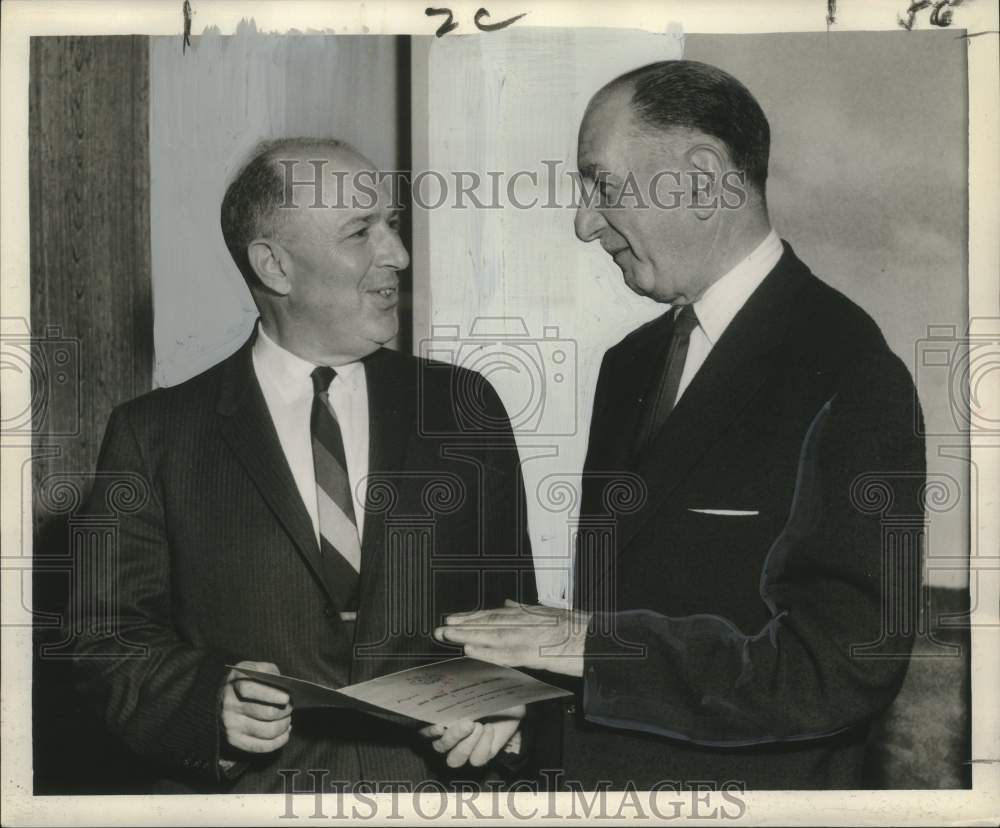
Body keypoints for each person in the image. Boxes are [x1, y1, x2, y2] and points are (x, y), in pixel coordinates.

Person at [436, 60, 926, 789]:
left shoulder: (851, 369)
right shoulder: (630, 364)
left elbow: (839, 669)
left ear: (700, 179)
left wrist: (591, 649)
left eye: (601, 185)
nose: (583, 222)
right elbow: (617, 636)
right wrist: (527, 705)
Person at [71, 138, 537, 793]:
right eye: (360, 232)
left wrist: (507, 710)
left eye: (393, 225)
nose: (398, 255)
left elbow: (515, 619)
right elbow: (106, 642)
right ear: (275, 266)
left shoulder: (463, 408)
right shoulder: (154, 436)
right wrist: (209, 702)